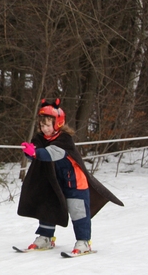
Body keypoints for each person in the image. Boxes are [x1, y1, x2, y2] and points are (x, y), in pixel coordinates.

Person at [17, 98, 123, 255]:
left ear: (57, 123)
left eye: (47, 125)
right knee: (47, 205)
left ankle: (84, 241)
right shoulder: (40, 139)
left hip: (74, 183)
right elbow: (38, 154)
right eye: (42, 125)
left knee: (78, 211)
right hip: (55, 182)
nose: (44, 128)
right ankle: (46, 237)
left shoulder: (64, 140)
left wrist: (36, 153)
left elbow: (50, 154)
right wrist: (30, 152)